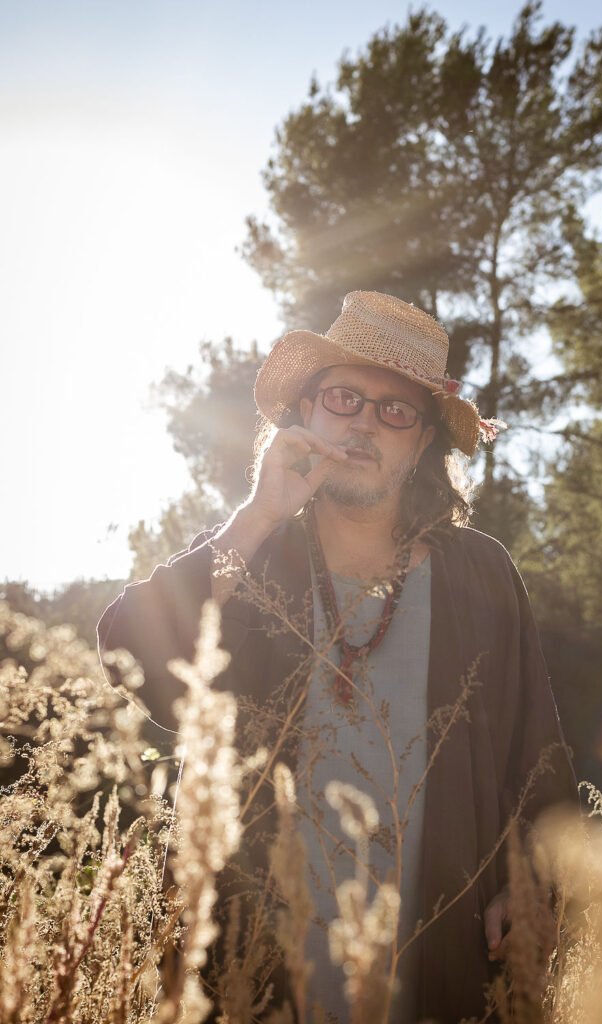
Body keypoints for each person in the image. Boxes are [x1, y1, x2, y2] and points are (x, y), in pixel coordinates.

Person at [97, 290, 577, 1023]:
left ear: (422, 444)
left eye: (395, 411)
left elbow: (538, 756)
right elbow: (128, 647)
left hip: (439, 963)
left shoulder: (480, 575)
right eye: (344, 397)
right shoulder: (248, 555)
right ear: (305, 412)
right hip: (254, 970)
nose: (364, 423)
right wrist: (259, 513)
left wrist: (531, 881)